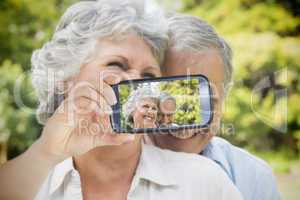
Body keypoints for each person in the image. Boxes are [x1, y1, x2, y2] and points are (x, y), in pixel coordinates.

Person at [0, 1, 243, 200]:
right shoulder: (32, 181)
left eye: (148, 76)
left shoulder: (203, 181)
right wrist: (46, 152)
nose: (136, 83)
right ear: (66, 78)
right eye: (117, 64)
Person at [149, 13, 281, 200]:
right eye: (170, 100)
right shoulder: (113, 173)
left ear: (224, 99)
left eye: (204, 101)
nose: (185, 125)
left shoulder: (254, 178)